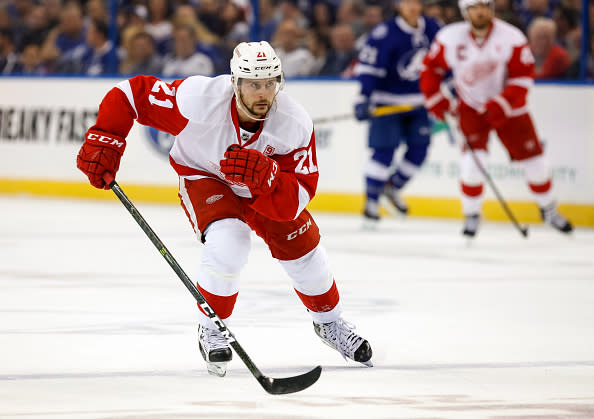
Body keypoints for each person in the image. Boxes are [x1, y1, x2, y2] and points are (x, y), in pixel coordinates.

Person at [75, 41, 373, 377]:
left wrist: (270, 176)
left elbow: (299, 196)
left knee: (303, 246)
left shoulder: (294, 122)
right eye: (253, 84)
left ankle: (329, 323)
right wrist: (106, 137)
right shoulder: (197, 99)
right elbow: (129, 93)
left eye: (269, 83)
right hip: (206, 177)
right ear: (235, 82)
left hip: (264, 191)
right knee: (229, 242)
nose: (263, 93)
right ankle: (212, 328)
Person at [419, 0, 573, 237]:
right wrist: (436, 100)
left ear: (491, 8)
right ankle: (471, 214)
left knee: (536, 165)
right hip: (470, 109)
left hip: (511, 110)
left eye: (485, 6)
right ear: (465, 11)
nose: (480, 11)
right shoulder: (449, 37)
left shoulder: (511, 36)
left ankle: (549, 209)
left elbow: (523, 77)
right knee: (472, 166)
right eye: (474, 7)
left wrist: (501, 103)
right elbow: (431, 69)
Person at [353, 0, 441, 224]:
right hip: (387, 103)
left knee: (419, 151)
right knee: (384, 152)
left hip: (418, 104)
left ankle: (392, 187)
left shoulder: (433, 28)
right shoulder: (384, 33)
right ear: (399, 5)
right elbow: (370, 68)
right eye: (406, 2)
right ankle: (371, 201)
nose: (412, 6)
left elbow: (445, 64)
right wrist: (364, 97)